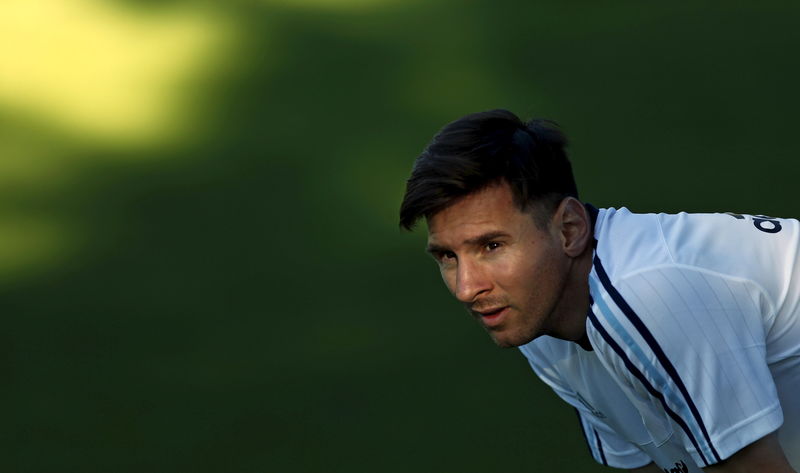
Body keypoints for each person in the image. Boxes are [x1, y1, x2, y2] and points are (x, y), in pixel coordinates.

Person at [398, 109, 800, 473]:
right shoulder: (540, 324)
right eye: (447, 256)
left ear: (569, 229)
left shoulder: (649, 295)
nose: (467, 287)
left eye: (492, 246)